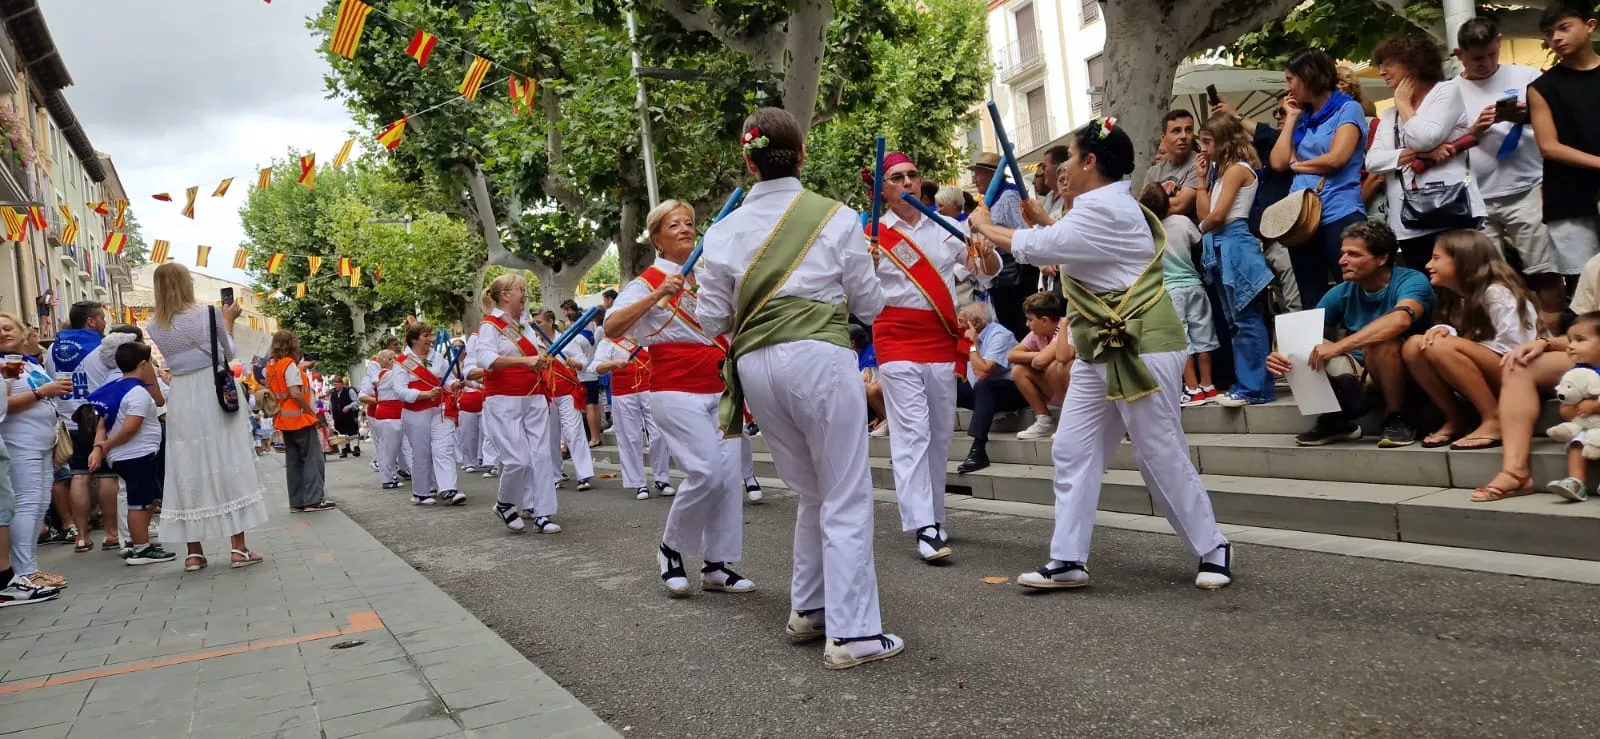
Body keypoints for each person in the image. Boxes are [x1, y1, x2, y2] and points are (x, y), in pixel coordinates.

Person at [969, 117, 1234, 590]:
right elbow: (1075, 252)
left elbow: (1043, 249)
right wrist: (1045, 223)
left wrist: (987, 225)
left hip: (1141, 345)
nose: (1063, 167)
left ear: (1090, 162)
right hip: (1101, 347)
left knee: (1158, 451)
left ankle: (1212, 545)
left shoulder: (1104, 209)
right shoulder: (1098, 207)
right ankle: (1068, 558)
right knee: (1072, 449)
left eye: (1069, 157)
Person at [695, 106, 902, 670]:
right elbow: (871, 306)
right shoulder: (835, 218)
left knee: (814, 491)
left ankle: (810, 607)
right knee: (845, 493)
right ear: (802, 155)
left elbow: (712, 316)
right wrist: (870, 265)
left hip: (756, 363)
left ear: (748, 160)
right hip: (818, 356)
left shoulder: (722, 230)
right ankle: (855, 633)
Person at [607, 199, 753, 596]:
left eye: (690, 223)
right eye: (675, 225)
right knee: (705, 472)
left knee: (727, 479)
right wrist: (657, 296)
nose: (686, 229)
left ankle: (716, 565)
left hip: (721, 385)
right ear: (657, 237)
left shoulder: (709, 275)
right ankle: (670, 549)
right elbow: (611, 326)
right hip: (673, 387)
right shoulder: (646, 282)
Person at [869, 150, 1000, 563]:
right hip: (895, 337)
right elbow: (853, 293)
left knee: (941, 431)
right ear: (883, 188)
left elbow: (987, 271)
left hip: (940, 337)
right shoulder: (870, 234)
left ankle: (935, 516)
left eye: (912, 175)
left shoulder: (945, 229)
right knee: (912, 431)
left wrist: (985, 249)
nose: (907, 182)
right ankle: (922, 524)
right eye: (896, 177)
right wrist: (865, 263)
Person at [1266, 221, 1434, 447]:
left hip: (1408, 371)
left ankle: (1398, 417)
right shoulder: (1342, 291)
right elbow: (1301, 330)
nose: (1342, 261)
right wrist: (1279, 355)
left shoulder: (1411, 280)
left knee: (1381, 341)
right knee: (1301, 345)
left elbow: (1400, 320)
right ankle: (1338, 420)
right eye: (1342, 253)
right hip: (1362, 372)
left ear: (1382, 258)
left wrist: (1338, 347)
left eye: (1353, 254)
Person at [146, 263, 269, 571]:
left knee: (186, 465)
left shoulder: (153, 326)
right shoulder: (209, 314)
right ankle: (238, 548)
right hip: (215, 390)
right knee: (228, 460)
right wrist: (227, 321)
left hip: (183, 395)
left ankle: (194, 552)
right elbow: (228, 353)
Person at [1453, 17, 1565, 324]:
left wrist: (1526, 117)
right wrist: (1474, 131)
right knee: (1490, 280)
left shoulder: (1527, 75)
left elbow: (1557, 124)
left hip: (1528, 187)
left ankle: (1553, 337)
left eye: (1492, 53)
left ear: (1499, 41)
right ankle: (1509, 337)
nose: (1487, 63)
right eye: (1477, 58)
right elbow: (1444, 147)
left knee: (1544, 269)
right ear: (1458, 53)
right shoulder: (1450, 92)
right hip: (1477, 196)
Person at [1402, 230, 1540, 450]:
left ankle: (1494, 418)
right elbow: (1459, 335)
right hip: (1493, 369)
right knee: (1413, 346)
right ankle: (1456, 418)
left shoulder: (1498, 293)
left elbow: (1516, 348)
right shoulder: (1457, 298)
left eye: (1436, 258)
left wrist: (1457, 343)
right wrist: (1444, 330)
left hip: (1520, 372)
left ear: (1463, 260)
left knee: (1439, 345)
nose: (1428, 264)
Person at [1367, 35, 1487, 270]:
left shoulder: (1446, 92)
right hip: (1409, 222)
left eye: (1389, 63)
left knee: (1467, 286)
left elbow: (1424, 138)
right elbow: (1372, 162)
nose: (1382, 72)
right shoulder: (1390, 115)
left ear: (1414, 62)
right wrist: (1419, 154)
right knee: (1427, 293)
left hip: (1454, 212)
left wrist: (1403, 103)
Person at [1271, 48, 1369, 307]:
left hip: (1339, 212)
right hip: (1302, 219)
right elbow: (1279, 162)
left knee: (1352, 291)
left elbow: (1337, 159)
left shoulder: (1348, 109)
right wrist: (1291, 118)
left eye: (1290, 79)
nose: (1287, 87)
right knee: (1311, 298)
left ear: (1308, 76)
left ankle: (1358, 347)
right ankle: (1323, 347)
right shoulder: (1301, 116)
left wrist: (1299, 166)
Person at [1196, 113, 1277, 408]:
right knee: (1234, 321)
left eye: (1207, 142)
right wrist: (1201, 181)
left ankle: (1256, 387)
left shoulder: (1238, 171)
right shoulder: (1221, 173)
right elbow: (1206, 213)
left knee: (1246, 318)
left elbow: (1215, 217)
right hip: (1219, 245)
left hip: (1235, 244)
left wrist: (1198, 231)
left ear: (1224, 141)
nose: (1202, 148)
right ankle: (1246, 383)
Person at [473, 275, 560, 533]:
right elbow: (485, 358)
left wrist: (541, 360)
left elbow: (533, 356)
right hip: (503, 398)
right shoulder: (490, 325)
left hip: (533, 395)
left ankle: (543, 513)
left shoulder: (527, 325)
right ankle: (505, 503)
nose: (526, 294)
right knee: (517, 460)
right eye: (521, 290)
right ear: (505, 295)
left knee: (542, 454)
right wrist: (525, 362)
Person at [1529, 4, 1600, 287]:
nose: (1556, 37)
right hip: (1568, 197)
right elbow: (1549, 146)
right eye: (1549, 33)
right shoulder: (1542, 87)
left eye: (1564, 27)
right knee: (1584, 288)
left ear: (1590, 25)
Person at [85, 341, 173, 565]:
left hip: (126, 456)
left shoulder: (115, 388)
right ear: (143, 364)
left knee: (146, 499)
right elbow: (131, 427)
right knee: (139, 502)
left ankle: (141, 542)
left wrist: (100, 447)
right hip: (137, 454)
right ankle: (141, 547)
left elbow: (102, 424)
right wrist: (106, 446)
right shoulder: (138, 393)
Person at [1, 316, 72, 588]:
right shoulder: (4, 366)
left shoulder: (28, 363)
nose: (3, 333)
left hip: (42, 442)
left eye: (8, 328)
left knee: (40, 503)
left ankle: (29, 567)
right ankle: (23, 571)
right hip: (20, 443)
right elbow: (3, 406)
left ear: (23, 333)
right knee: (27, 504)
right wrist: (43, 392)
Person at [46, 301, 120, 552]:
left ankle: (81, 536)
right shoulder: (102, 349)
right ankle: (111, 533)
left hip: (70, 420)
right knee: (108, 476)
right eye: (101, 318)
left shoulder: (53, 349)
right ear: (90, 321)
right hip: (100, 419)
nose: (104, 323)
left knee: (79, 475)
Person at [1139, 185, 1219, 407]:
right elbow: (1198, 241)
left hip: (1170, 291)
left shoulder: (1149, 233)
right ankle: (1208, 385)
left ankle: (1192, 389)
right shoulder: (1183, 221)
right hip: (1195, 285)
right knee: (1203, 337)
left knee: (1182, 340)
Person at [385, 323, 465, 507]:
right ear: (414, 339)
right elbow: (399, 391)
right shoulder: (402, 362)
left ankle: (448, 489)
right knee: (421, 452)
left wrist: (454, 385)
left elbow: (447, 380)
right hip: (415, 412)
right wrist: (423, 395)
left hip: (440, 409)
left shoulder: (437, 357)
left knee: (443, 447)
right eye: (426, 336)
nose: (431, 339)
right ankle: (420, 492)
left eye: (431, 335)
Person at [589, 332, 674, 500]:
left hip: (650, 387)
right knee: (630, 436)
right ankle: (638, 482)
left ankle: (661, 478)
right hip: (623, 392)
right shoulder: (610, 340)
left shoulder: (648, 333)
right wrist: (614, 364)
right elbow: (596, 367)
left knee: (658, 433)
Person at [266, 330, 334, 513]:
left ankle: (297, 501)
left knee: (294, 461)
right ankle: (314, 500)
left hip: (284, 419)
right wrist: (310, 410)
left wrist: (301, 368)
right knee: (313, 459)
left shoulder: (272, 366)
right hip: (300, 417)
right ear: (292, 345)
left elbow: (282, 387)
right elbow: (294, 392)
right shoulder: (289, 364)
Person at [970, 152, 1035, 338]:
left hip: (1015, 272)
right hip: (1001, 273)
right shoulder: (990, 200)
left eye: (978, 174)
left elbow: (1023, 231)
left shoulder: (1008, 196)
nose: (974, 180)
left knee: (1020, 325)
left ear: (992, 174)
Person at [953, 302, 1020, 475]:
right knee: (946, 387)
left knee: (983, 386)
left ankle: (978, 449)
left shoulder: (999, 335)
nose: (956, 324)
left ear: (974, 323)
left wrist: (972, 345)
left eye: (960, 320)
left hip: (1014, 390)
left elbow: (983, 373)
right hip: (985, 391)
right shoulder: (964, 336)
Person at [534, 310, 594, 492]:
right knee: (550, 436)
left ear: (551, 322)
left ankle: (584, 475)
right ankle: (554, 475)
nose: (536, 326)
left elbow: (583, 362)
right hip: (546, 393)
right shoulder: (533, 343)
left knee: (573, 431)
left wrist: (572, 361)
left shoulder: (567, 340)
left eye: (539, 322)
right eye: (534, 322)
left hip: (567, 391)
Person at [1542, 312, 1600, 501]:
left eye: (1580, 340)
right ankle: (1576, 482)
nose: (1570, 346)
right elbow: (1566, 409)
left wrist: (1594, 407)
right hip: (1590, 426)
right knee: (1577, 441)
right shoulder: (1577, 374)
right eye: (1569, 340)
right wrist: (1573, 410)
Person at [1008, 292, 1073, 440]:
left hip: (1076, 390)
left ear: (1044, 320)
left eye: (1030, 320)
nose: (1027, 324)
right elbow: (1012, 355)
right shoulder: (1037, 333)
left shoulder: (1064, 328)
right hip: (1054, 389)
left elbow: (1040, 362)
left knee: (1058, 365)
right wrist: (1042, 353)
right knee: (1018, 370)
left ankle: (1070, 419)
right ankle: (1044, 421)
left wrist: (1042, 357)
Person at [360, 350, 407, 489]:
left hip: (393, 414)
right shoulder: (385, 374)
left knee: (395, 447)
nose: (395, 360)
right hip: (386, 415)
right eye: (391, 359)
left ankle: (397, 473)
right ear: (383, 362)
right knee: (388, 448)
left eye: (395, 357)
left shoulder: (388, 374)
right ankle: (387, 478)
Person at [1144, 110, 1199, 218]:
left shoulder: (1198, 162)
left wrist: (1153, 202)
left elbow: (1181, 205)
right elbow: (1143, 206)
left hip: (1184, 228)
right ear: (1163, 138)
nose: (1183, 136)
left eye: (1188, 130)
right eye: (1176, 131)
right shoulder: (1154, 171)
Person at [455, 335, 489, 473]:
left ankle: (486, 459)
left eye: (459, 347)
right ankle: (469, 461)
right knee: (468, 434)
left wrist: (472, 382)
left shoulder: (476, 361)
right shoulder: (453, 364)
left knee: (487, 433)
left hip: (482, 397)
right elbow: (455, 379)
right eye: (454, 347)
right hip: (466, 401)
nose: (457, 349)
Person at [327, 375, 362, 458]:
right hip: (338, 417)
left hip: (349, 416)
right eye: (334, 384)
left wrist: (349, 406)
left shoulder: (349, 391)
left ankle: (355, 448)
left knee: (352, 431)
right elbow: (331, 405)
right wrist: (331, 416)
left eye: (337, 384)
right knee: (340, 433)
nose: (335, 386)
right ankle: (344, 450)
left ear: (341, 384)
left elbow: (357, 402)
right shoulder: (333, 393)